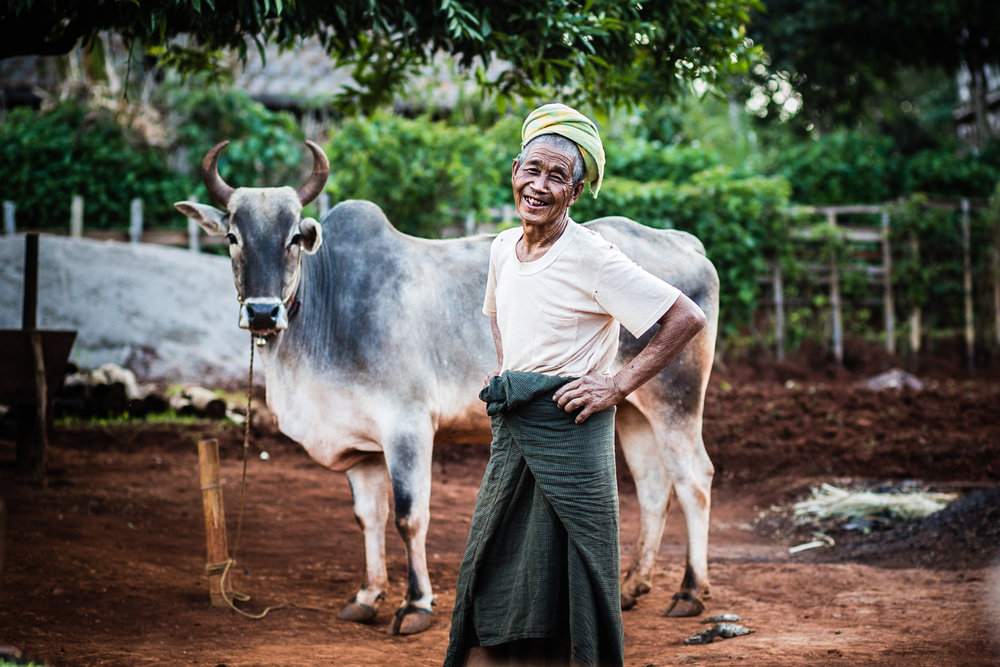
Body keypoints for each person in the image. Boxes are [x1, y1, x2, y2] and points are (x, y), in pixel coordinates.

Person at [444, 103, 707, 667]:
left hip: (573, 432)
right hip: (516, 429)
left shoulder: (592, 256)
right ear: (515, 169)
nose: (538, 186)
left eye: (557, 177)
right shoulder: (500, 250)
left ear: (577, 191)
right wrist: (507, 369)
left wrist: (615, 386)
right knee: (494, 556)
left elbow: (685, 317)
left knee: (577, 573)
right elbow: (498, 314)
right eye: (532, 169)